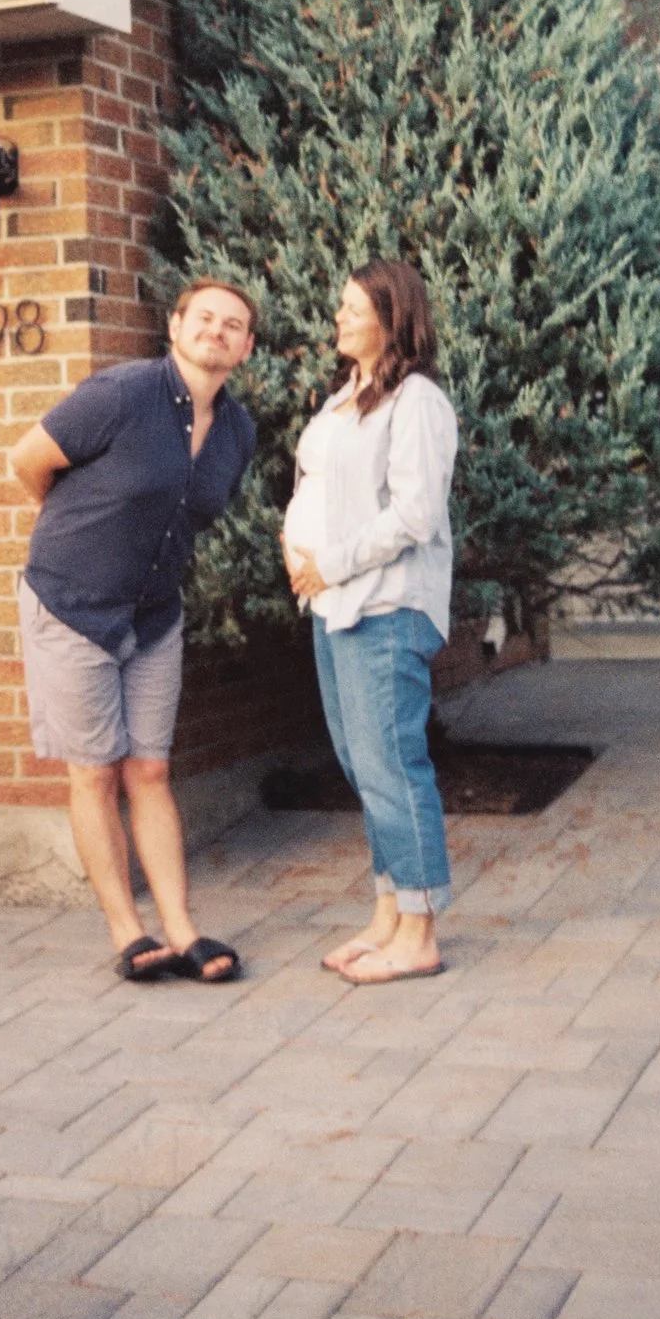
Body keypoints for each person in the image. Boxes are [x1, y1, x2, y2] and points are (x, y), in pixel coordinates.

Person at [9, 281, 258, 983]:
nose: (216, 331)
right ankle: (128, 931)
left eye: (232, 325)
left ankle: (181, 929)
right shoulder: (120, 394)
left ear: (246, 348)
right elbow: (29, 459)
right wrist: (75, 526)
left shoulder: (238, 432)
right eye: (203, 317)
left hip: (152, 615)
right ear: (176, 326)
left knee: (149, 768)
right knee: (94, 771)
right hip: (73, 605)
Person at [283, 259, 458, 984]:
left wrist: (334, 561)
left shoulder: (416, 399)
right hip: (332, 605)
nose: (339, 317)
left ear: (394, 317)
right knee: (363, 766)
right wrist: (302, 558)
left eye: (355, 308)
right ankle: (387, 912)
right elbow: (318, 488)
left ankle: (419, 931)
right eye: (341, 304)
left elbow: (414, 514)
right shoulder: (342, 399)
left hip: (384, 603)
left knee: (393, 764)